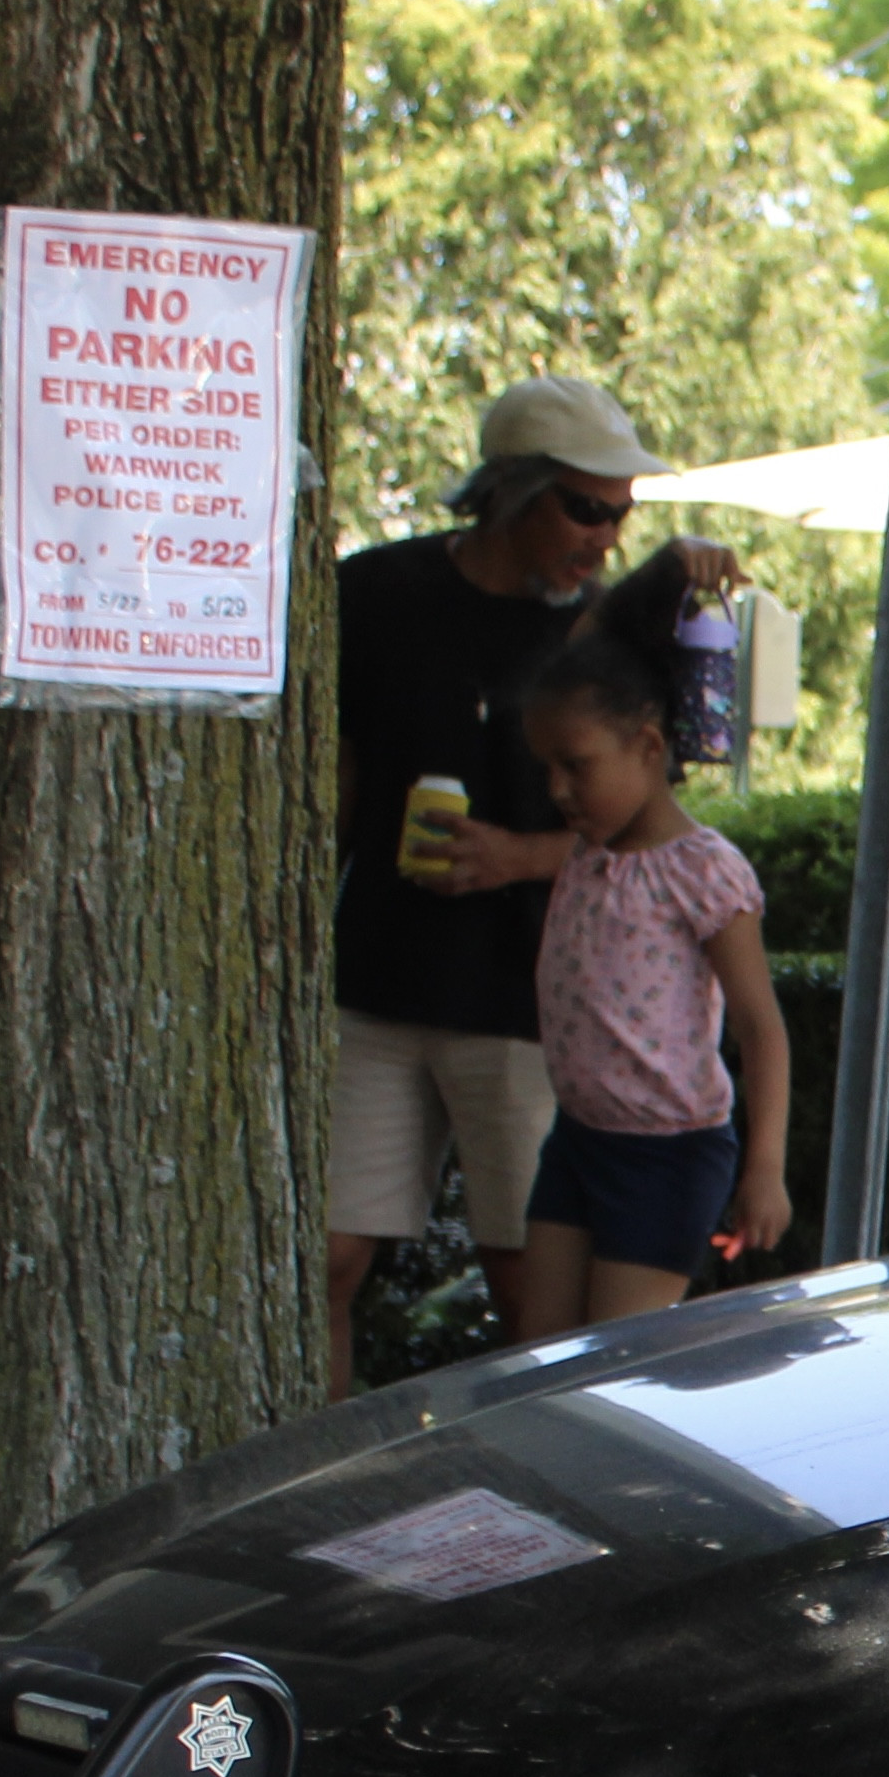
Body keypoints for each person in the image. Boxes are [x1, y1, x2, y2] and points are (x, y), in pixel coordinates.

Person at [326, 376, 743, 1388]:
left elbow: (660, 833)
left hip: (528, 1005)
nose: (605, 535)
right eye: (586, 507)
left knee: (526, 1281)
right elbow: (329, 776)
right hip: (376, 980)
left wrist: (516, 858)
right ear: (512, 495)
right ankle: (314, 1491)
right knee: (327, 1262)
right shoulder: (375, 593)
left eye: (621, 513)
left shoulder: (608, 634)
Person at [515, 553, 791, 1326]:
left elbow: (761, 1029)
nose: (558, 791)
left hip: (665, 1156)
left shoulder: (702, 870)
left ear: (647, 747)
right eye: (548, 769)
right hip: (579, 1138)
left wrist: (764, 1165)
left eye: (577, 767)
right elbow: (596, 639)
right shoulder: (589, 851)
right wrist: (667, 570)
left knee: (614, 1364)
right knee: (537, 1360)